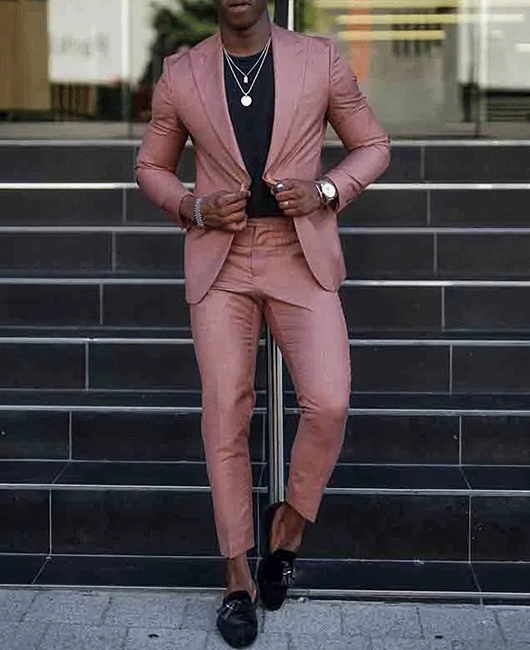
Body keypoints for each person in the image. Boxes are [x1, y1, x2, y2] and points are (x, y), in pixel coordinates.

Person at [136, 0, 390, 645]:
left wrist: (326, 191)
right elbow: (151, 167)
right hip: (221, 258)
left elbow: (373, 145)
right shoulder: (182, 72)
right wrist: (194, 207)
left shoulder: (319, 60)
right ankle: (236, 579)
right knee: (225, 410)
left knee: (330, 401)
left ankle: (287, 531)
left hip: (298, 252)